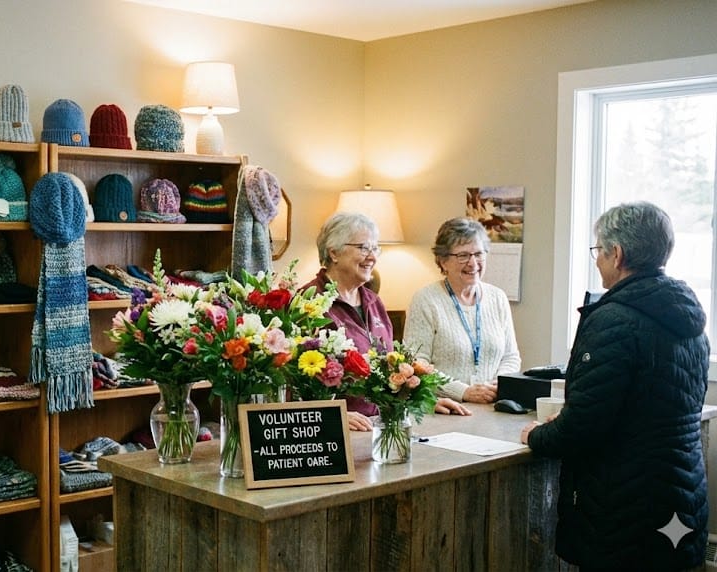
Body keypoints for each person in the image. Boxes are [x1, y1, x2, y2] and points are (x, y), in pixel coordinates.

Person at [520, 202, 709, 570]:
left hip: (626, 507)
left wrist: (537, 436)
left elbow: (586, 424)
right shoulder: (688, 320)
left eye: (598, 251)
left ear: (617, 254)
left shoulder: (612, 320)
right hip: (681, 495)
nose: (597, 261)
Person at [302, 212, 470, 432]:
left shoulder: (373, 301)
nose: (372, 257)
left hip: (380, 427)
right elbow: (294, 386)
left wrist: (422, 402)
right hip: (336, 432)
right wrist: (334, 414)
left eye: (375, 248)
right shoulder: (309, 302)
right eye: (363, 248)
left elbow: (388, 371)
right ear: (334, 252)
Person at [403, 217, 520, 403]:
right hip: (447, 409)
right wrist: (463, 392)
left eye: (479, 254)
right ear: (443, 261)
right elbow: (417, 363)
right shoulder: (425, 300)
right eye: (463, 255)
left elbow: (511, 356)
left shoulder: (498, 297)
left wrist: (498, 385)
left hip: (493, 404)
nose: (473, 263)